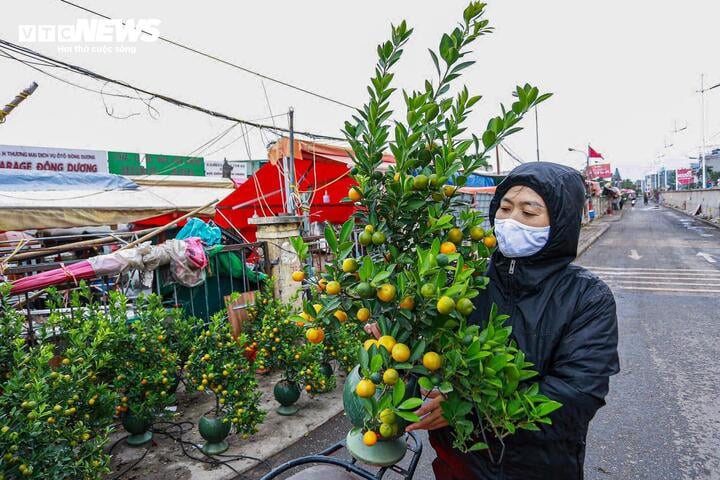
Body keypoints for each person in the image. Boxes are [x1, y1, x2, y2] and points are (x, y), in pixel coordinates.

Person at [406, 162, 620, 480]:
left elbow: (577, 395)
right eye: (504, 208)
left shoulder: (587, 297)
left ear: (559, 222)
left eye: (528, 213)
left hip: (539, 468)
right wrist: (400, 349)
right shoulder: (467, 282)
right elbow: (433, 359)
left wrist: (465, 409)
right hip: (462, 465)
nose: (510, 221)